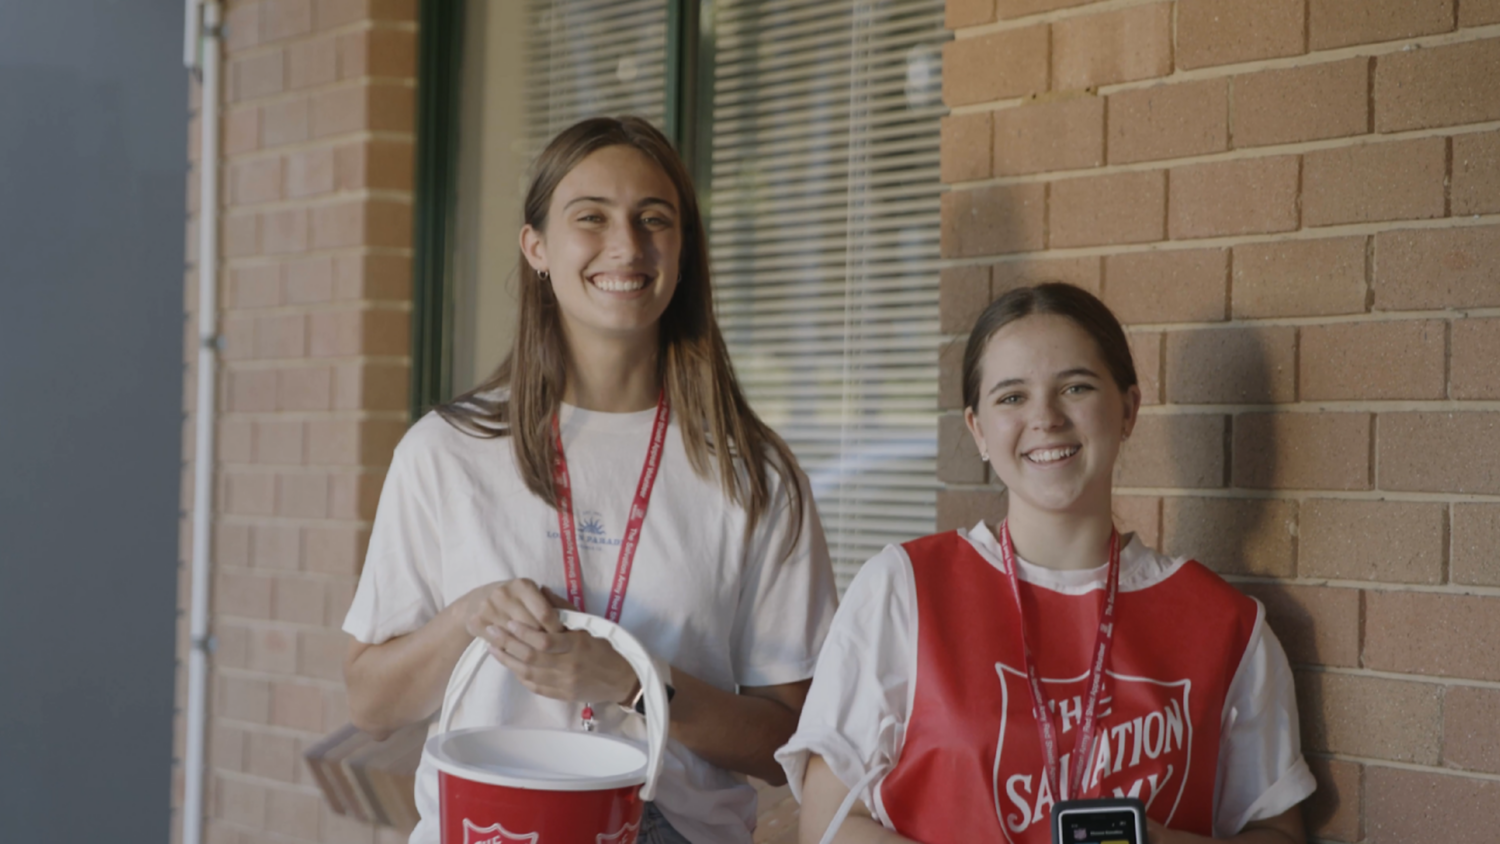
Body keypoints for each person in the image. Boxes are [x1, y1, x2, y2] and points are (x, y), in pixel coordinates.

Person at [342, 116, 838, 844]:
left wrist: (636, 684)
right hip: (487, 826)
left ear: (683, 249)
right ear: (536, 246)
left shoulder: (754, 475)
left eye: (654, 219)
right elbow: (370, 702)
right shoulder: (445, 453)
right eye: (592, 218)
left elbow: (789, 743)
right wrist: (468, 618)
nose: (627, 246)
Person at [778, 283, 1315, 843]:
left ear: (1128, 409)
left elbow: (1277, 832)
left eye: (1076, 387)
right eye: (1011, 397)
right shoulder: (904, 590)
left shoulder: (1228, 625)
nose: (1046, 417)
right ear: (978, 430)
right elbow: (827, 825)